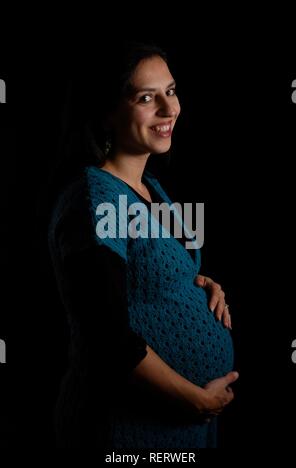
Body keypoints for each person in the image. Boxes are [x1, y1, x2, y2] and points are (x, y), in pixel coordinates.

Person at [46, 42, 238, 449]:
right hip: (124, 430)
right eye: (147, 98)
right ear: (106, 111)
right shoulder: (93, 200)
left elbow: (146, 277)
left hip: (177, 429)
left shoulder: (149, 188)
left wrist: (196, 285)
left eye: (171, 91)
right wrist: (197, 401)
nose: (170, 110)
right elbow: (107, 338)